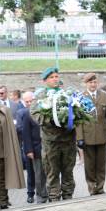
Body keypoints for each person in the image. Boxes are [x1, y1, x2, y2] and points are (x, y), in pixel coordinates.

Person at [31, 68, 77, 202]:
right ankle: (54, 198)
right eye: (51, 77)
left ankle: (68, 196)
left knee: (68, 172)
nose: (55, 79)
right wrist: (51, 120)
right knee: (52, 173)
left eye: (57, 76)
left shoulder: (67, 94)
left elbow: (78, 111)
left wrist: (75, 119)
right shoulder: (41, 96)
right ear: (45, 80)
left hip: (68, 140)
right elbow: (35, 114)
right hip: (51, 142)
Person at [76, 73, 106, 195]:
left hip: (102, 136)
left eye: (95, 82)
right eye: (90, 82)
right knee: (89, 165)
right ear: (86, 84)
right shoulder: (81, 97)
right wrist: (79, 138)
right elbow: (78, 120)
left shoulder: (104, 96)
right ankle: (92, 187)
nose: (93, 85)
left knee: (101, 164)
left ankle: (100, 187)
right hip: (87, 137)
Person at [18, 91, 48, 203]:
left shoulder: (45, 111)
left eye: (32, 101)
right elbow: (25, 134)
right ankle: (38, 195)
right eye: (27, 102)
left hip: (47, 147)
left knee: (48, 172)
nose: (30, 103)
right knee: (37, 174)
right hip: (35, 148)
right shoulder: (26, 114)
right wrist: (29, 150)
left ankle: (49, 192)